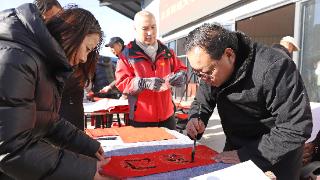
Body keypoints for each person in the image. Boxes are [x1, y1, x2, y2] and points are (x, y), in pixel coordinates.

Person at [184, 23, 312, 180]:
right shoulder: (208, 69)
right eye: (198, 73)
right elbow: (202, 101)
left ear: (229, 55)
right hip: (235, 146)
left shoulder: (275, 67)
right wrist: (196, 118)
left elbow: (295, 127)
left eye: (207, 73)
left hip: (275, 153)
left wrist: (246, 155)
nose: (204, 79)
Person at [0, 4, 111, 180]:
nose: (83, 58)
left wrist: (88, 145)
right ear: (71, 34)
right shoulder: (16, 59)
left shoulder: (42, 61)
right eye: (87, 49)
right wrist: (86, 170)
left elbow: (47, 118)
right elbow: (11, 148)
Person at [115, 10, 187, 130]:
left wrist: (181, 76)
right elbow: (121, 82)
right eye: (145, 28)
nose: (150, 32)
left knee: (171, 149)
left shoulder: (167, 51)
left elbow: (181, 69)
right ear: (136, 28)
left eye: (153, 27)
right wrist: (142, 83)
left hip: (168, 116)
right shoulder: (127, 54)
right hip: (141, 118)